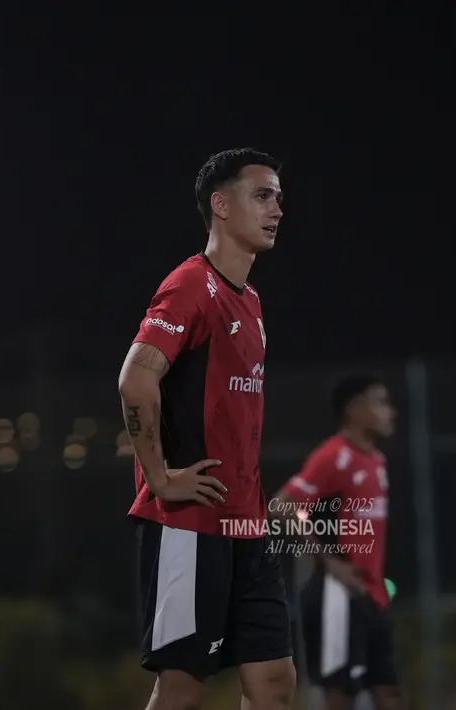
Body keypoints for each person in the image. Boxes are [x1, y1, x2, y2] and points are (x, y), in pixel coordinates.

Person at [118, 148, 293, 710]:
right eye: (261, 195)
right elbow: (135, 381)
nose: (277, 209)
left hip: (248, 526)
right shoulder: (192, 285)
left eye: (279, 198)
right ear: (220, 205)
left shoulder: (252, 302)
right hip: (192, 525)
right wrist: (161, 478)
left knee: (274, 686)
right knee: (183, 691)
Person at [273, 374, 402, 710]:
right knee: (340, 694)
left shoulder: (377, 461)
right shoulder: (333, 456)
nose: (390, 412)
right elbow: (283, 507)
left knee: (389, 693)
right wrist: (329, 562)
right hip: (338, 595)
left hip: (372, 594)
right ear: (354, 410)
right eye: (381, 402)